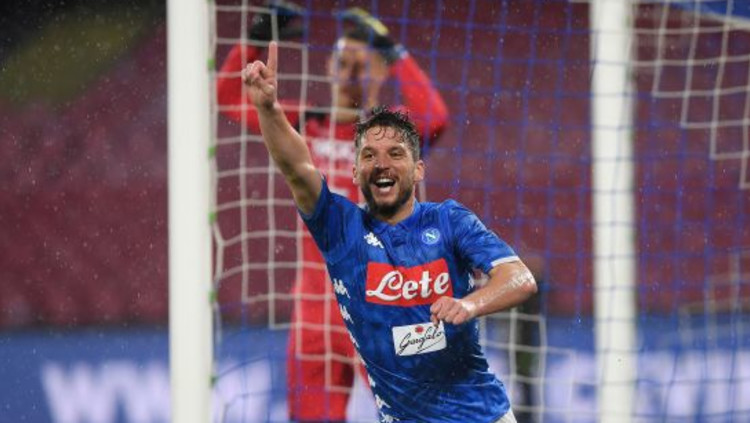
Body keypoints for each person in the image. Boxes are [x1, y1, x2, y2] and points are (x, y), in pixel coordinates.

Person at [242, 39, 538, 423]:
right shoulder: (341, 230)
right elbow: (297, 167)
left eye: (395, 154)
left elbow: (519, 278)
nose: (382, 164)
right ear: (354, 172)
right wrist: (268, 108)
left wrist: (469, 304)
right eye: (369, 155)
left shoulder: (450, 220)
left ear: (418, 169)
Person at [216, 3, 448, 421]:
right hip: (314, 314)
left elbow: (435, 117)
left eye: (363, 62)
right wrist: (254, 39)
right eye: (344, 60)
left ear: (381, 73)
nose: (352, 70)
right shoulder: (305, 124)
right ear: (328, 67)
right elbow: (230, 97)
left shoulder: (392, 133)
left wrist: (392, 50)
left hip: (383, 306)